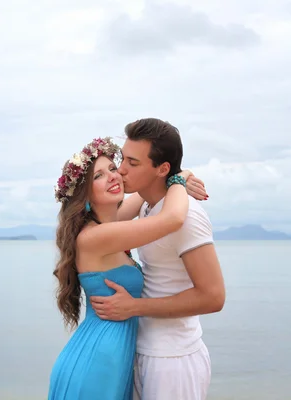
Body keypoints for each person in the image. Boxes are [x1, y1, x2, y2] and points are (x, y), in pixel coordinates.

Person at [47, 136, 208, 400]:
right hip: (98, 361)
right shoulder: (94, 237)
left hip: (112, 355)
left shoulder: (108, 225)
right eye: (98, 176)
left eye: (113, 168)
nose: (113, 177)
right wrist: (179, 180)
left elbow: (145, 195)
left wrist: (179, 174)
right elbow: (173, 218)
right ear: (85, 194)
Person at [89, 118, 226, 400]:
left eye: (133, 163)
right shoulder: (151, 207)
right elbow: (107, 221)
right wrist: (180, 176)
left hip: (173, 360)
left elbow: (214, 297)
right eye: (122, 159)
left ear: (161, 169)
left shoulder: (186, 217)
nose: (121, 171)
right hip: (146, 350)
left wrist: (134, 307)